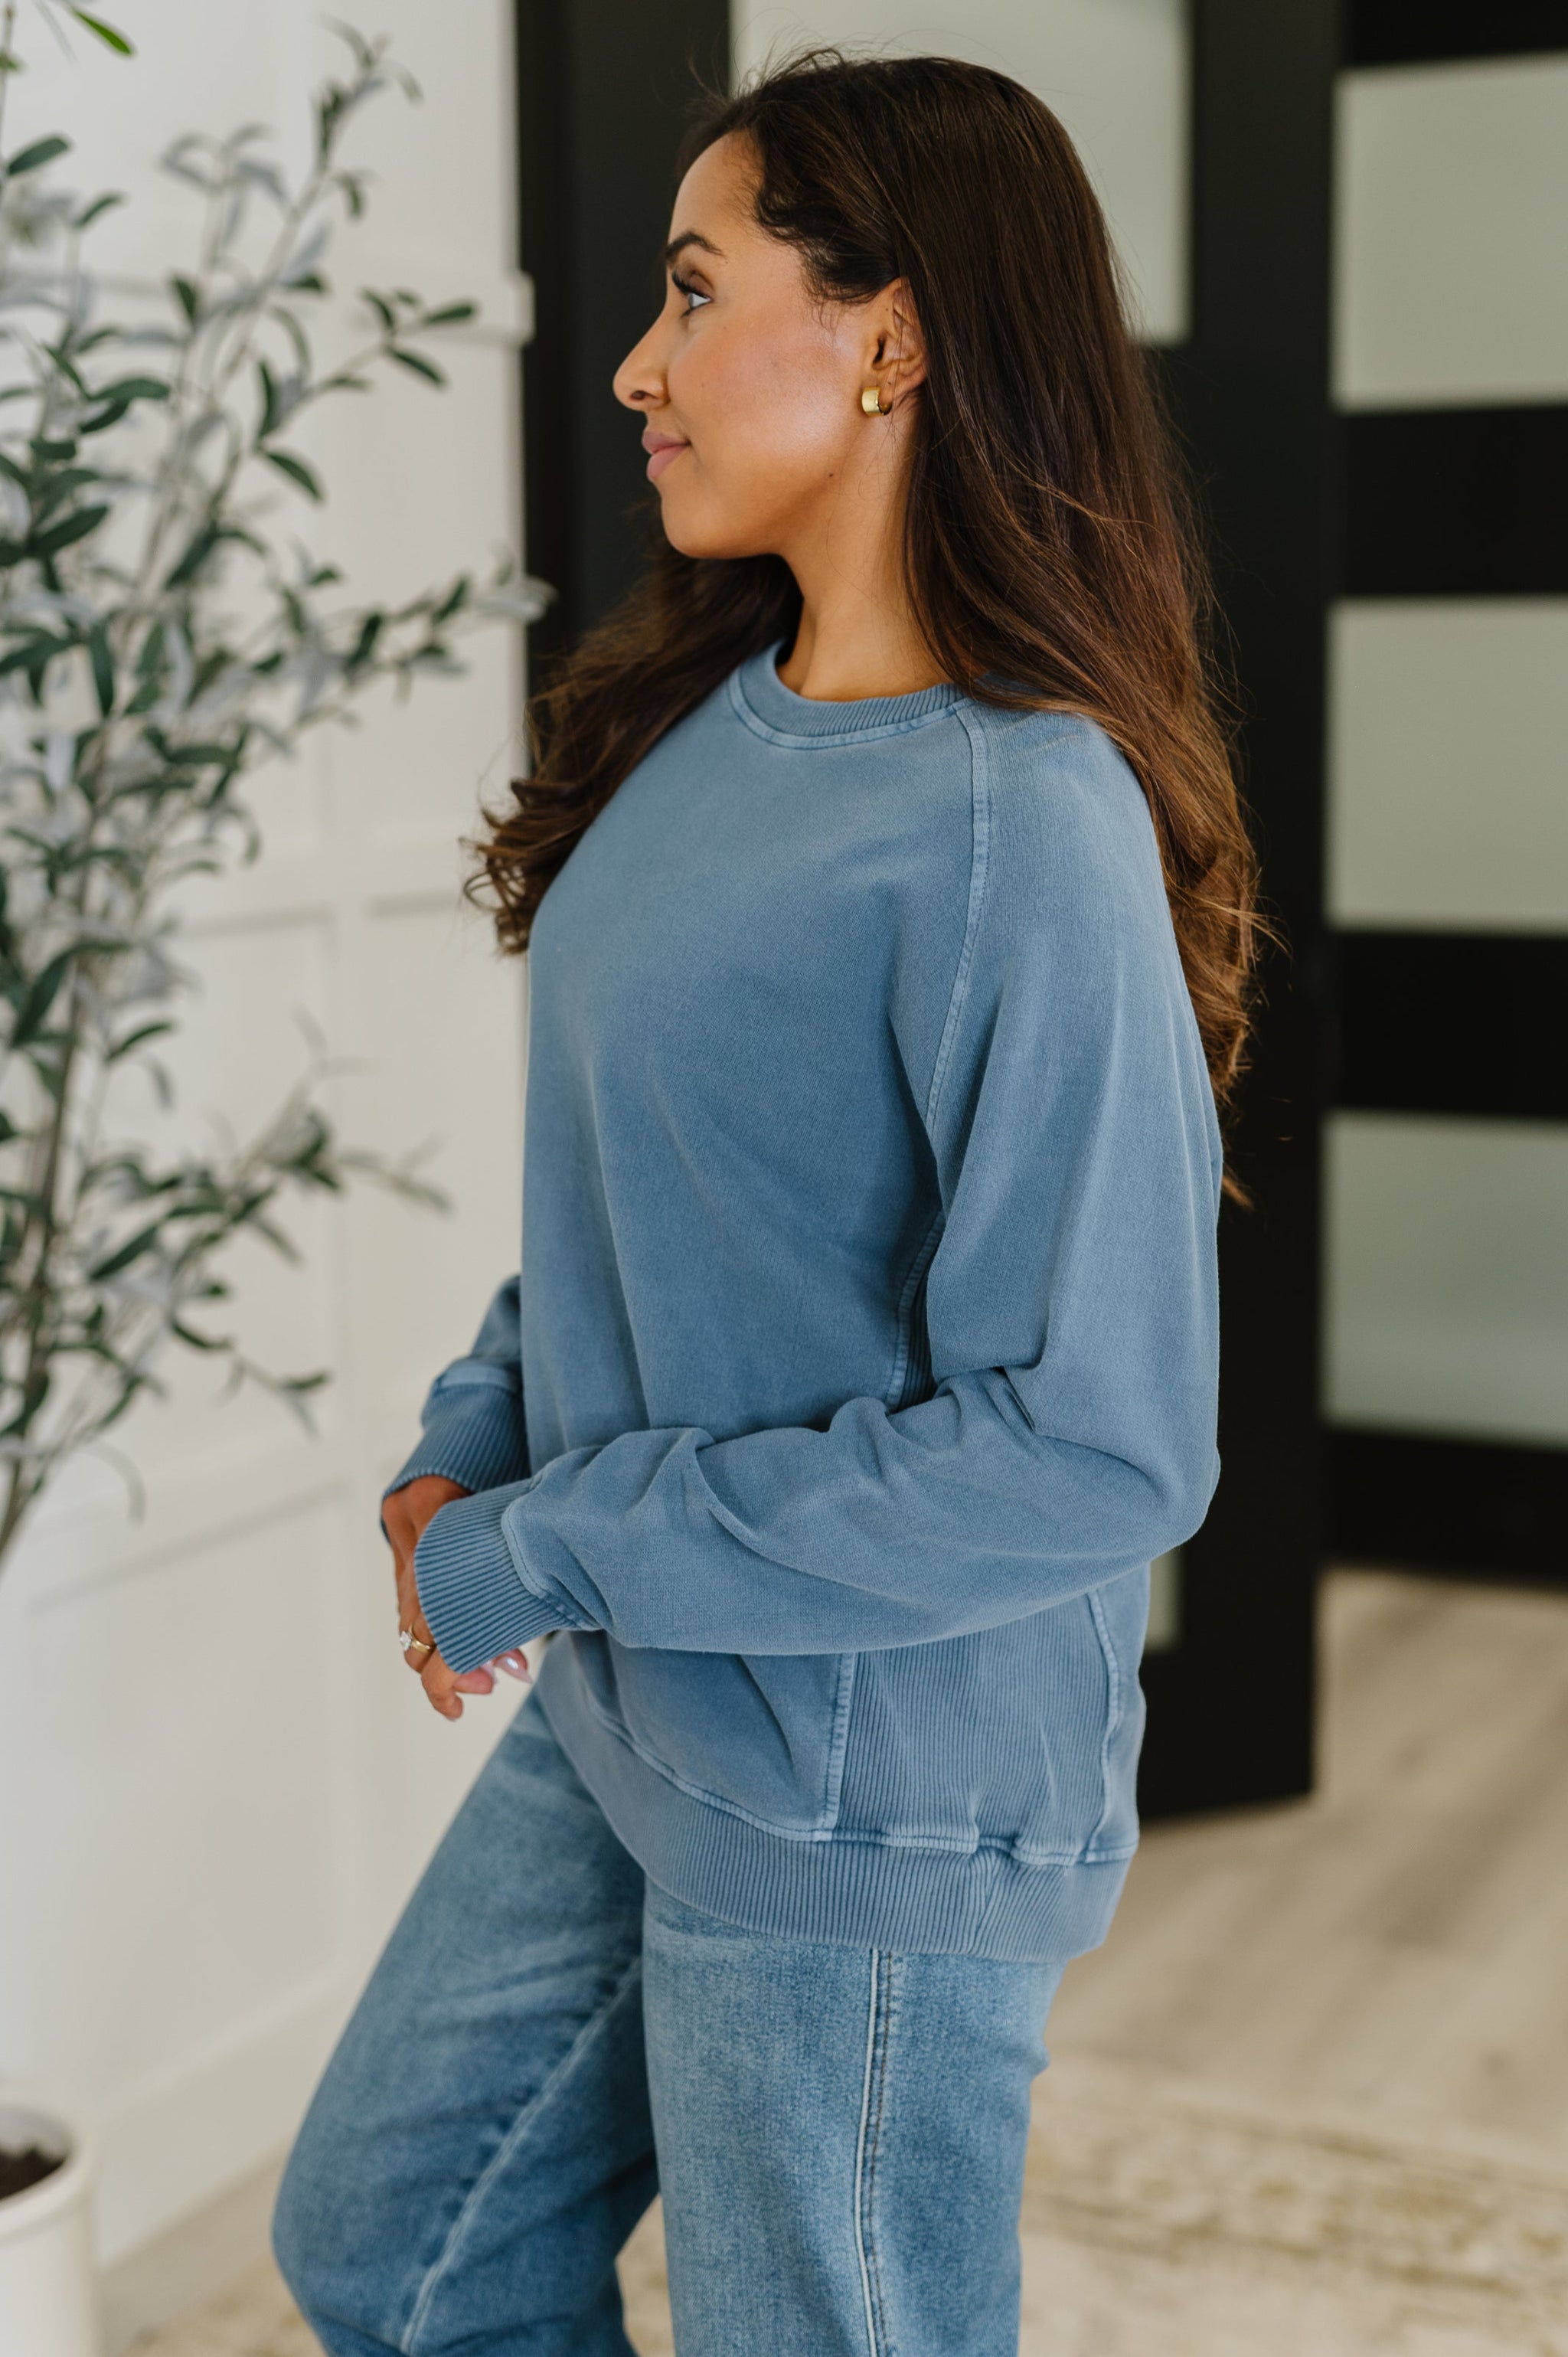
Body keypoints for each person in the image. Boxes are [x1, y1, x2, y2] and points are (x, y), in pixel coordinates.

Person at [273, 46, 1257, 2357]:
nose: (640, 363)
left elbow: (1101, 1445)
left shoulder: (1023, 818)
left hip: (869, 1794)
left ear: (890, 339)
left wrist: (548, 1543)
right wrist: (475, 1440)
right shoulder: (705, 724)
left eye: (698, 291)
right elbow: (651, 1201)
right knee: (398, 2253)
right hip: (648, 1691)